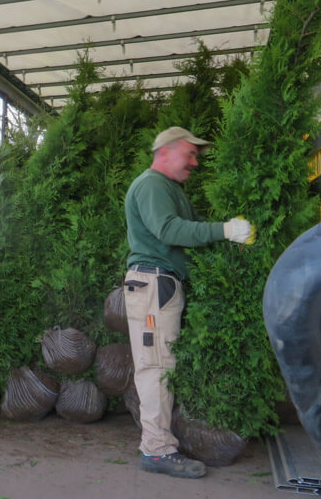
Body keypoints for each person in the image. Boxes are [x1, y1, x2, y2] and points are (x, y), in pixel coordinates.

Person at [123, 127, 254, 479]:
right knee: (155, 368)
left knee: (161, 366)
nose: (195, 162)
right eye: (190, 154)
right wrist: (224, 230)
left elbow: (181, 230)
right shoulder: (152, 185)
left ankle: (159, 445)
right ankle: (156, 451)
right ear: (165, 152)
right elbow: (170, 230)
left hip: (161, 285)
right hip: (153, 285)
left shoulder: (169, 188)